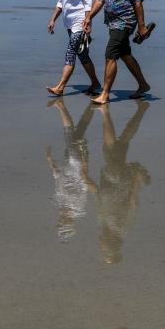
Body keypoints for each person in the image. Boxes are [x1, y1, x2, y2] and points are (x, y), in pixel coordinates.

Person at [83, 0, 152, 104]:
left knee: (110, 54)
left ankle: (105, 94)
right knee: (125, 54)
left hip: (125, 21)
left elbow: (138, 1)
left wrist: (141, 26)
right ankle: (143, 85)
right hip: (112, 22)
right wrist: (89, 17)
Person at [95, 100, 151, 264]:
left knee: (122, 143)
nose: (101, 247)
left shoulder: (115, 228)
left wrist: (91, 185)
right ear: (111, 245)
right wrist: (135, 180)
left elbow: (103, 201)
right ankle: (105, 113)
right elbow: (131, 203)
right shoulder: (117, 226)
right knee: (110, 146)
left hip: (113, 179)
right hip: (116, 179)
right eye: (105, 250)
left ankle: (140, 112)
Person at [46, 0, 101, 97]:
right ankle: (95, 83)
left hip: (79, 23)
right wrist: (53, 19)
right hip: (68, 23)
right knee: (82, 55)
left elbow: (88, 3)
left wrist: (88, 22)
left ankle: (60, 87)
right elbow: (60, 2)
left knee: (71, 52)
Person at [46, 99, 97, 242]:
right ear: (71, 224)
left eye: (59, 224)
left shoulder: (62, 206)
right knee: (69, 133)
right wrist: (85, 160)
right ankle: (61, 106)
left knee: (78, 130)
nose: (60, 221)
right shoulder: (77, 208)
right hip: (76, 161)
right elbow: (84, 182)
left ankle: (92, 107)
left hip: (68, 162)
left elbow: (59, 181)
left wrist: (52, 164)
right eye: (62, 224)